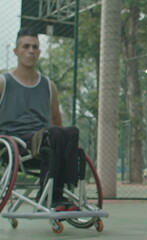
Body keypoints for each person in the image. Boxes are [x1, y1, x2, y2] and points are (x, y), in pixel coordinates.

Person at [0, 28, 79, 211]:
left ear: (40, 52)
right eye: (26, 46)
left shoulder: (48, 86)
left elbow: (56, 120)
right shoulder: (4, 83)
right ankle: (50, 196)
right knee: (55, 134)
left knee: (71, 131)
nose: (31, 51)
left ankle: (61, 193)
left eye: (35, 47)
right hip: (15, 145)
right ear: (16, 51)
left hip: (45, 141)